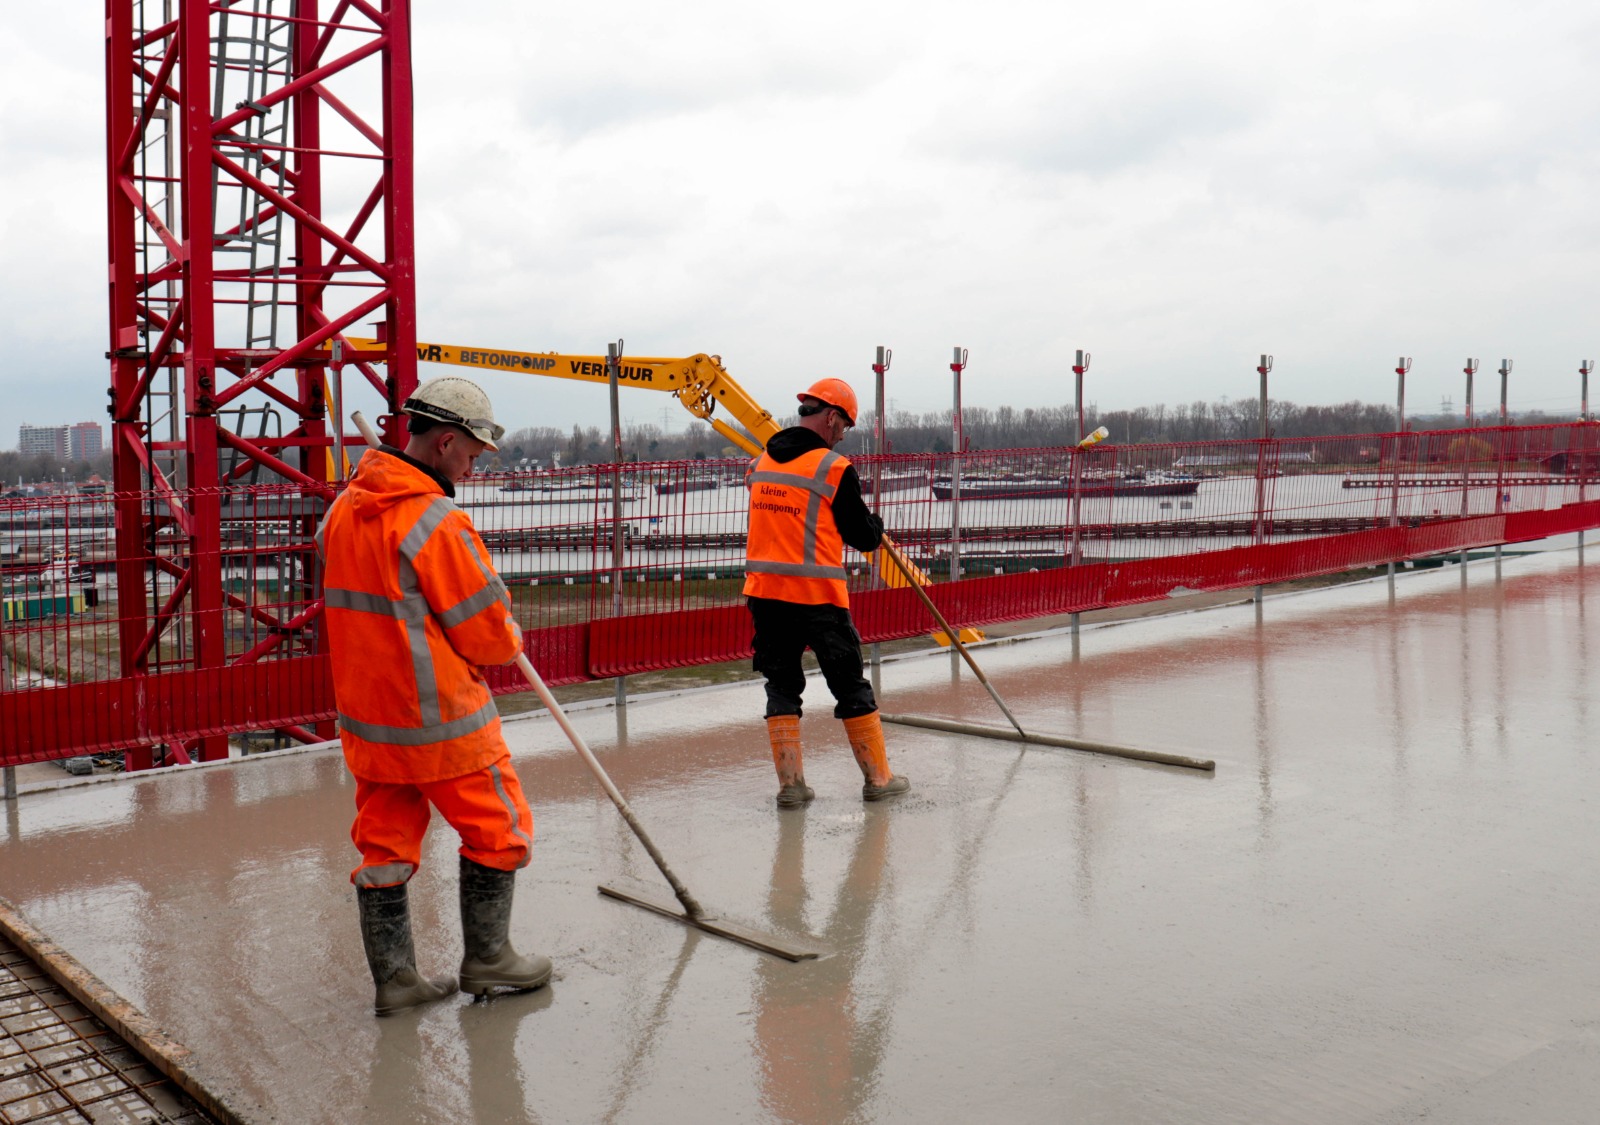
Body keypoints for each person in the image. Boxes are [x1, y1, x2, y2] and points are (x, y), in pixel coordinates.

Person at [318, 376, 551, 1015]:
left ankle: (396, 981)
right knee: (500, 830)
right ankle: (489, 959)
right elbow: (488, 636)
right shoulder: (435, 523)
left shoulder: (343, 512)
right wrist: (507, 631)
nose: (473, 469)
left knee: (384, 845)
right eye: (472, 456)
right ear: (446, 441)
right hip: (444, 724)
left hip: (371, 724)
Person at [744, 378, 910, 808]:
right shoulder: (833, 468)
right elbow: (863, 537)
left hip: (765, 595)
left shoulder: (762, 462)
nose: (842, 435)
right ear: (831, 417)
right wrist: (875, 526)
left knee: (781, 687)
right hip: (817, 597)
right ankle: (878, 780)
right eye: (844, 427)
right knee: (850, 685)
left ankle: (791, 787)